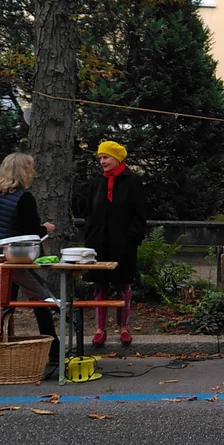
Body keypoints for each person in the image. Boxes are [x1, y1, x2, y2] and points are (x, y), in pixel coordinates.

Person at [0, 153, 59, 360]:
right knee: (43, 301)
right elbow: (30, 232)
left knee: (4, 305)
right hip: (20, 257)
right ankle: (54, 351)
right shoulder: (24, 197)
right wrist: (46, 228)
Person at [83, 140, 147, 348]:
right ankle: (100, 328)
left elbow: (139, 215)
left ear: (117, 158)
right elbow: (89, 212)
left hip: (123, 245)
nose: (102, 161)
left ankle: (124, 327)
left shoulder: (132, 182)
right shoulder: (96, 183)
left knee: (123, 286)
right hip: (99, 244)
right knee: (100, 287)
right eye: (100, 158)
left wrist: (132, 238)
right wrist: (90, 234)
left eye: (106, 157)